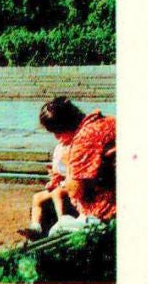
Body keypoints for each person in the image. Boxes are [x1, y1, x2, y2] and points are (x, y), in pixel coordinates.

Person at [23, 96, 116, 238]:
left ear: (63, 127)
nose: (56, 137)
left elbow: (75, 191)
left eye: (56, 132)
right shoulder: (107, 121)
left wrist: (68, 165)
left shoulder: (83, 140)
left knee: (56, 229)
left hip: (106, 212)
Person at [21, 141, 76, 240]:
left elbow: (73, 172)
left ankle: (62, 220)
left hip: (71, 183)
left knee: (57, 192)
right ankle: (36, 226)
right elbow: (57, 170)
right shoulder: (59, 149)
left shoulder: (74, 148)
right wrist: (53, 175)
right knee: (37, 197)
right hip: (61, 183)